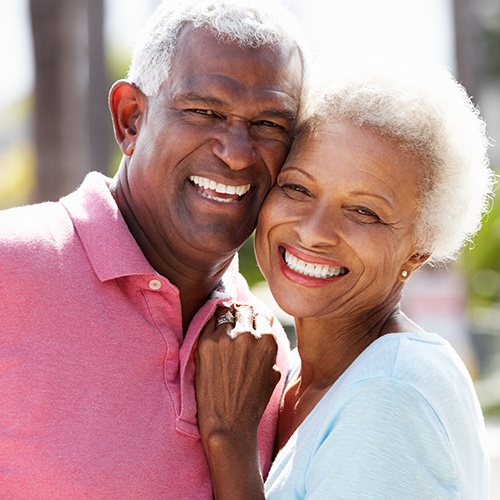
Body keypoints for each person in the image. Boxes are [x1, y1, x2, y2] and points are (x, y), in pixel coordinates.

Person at [0, 0, 306, 497]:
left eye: (270, 124)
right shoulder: (9, 268)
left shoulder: (267, 348)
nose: (237, 151)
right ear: (131, 120)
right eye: (205, 111)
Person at [195, 62, 496, 499]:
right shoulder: (307, 372)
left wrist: (230, 441)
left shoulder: (388, 396)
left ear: (419, 250)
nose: (314, 231)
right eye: (297, 188)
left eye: (363, 212)